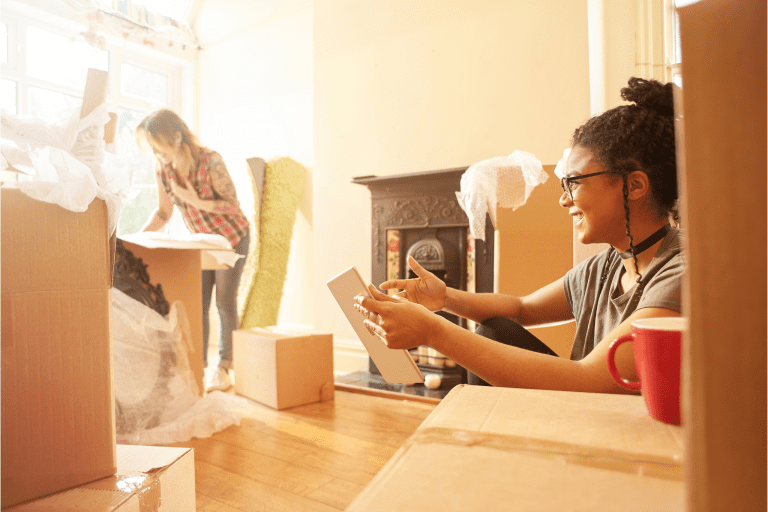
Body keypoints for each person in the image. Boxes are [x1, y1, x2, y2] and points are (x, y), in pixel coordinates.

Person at [354, 77, 684, 392]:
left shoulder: (680, 274)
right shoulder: (607, 265)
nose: (564, 198)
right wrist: (443, 299)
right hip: (584, 410)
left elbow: (592, 380)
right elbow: (522, 309)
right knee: (496, 330)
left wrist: (432, 332)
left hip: (614, 432)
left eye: (575, 182)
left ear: (634, 185)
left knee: (492, 334)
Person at [135, 109, 250, 393]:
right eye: (149, 145)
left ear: (175, 137)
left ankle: (223, 368)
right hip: (202, 242)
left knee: (224, 302)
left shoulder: (210, 161)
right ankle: (198, 366)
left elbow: (233, 207)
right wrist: (138, 236)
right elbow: (163, 213)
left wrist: (195, 201)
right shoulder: (162, 169)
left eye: (156, 144)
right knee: (197, 303)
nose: (154, 151)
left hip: (232, 238)